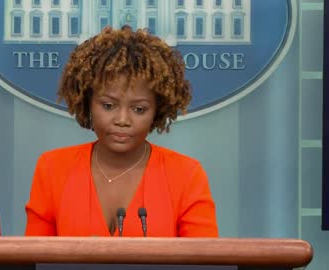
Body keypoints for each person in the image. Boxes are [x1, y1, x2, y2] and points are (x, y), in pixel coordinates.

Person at [24, 25, 218, 237]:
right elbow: (34, 261)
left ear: (158, 110)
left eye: (139, 109)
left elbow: (204, 260)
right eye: (108, 106)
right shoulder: (52, 169)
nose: (122, 120)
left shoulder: (186, 175)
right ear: (88, 102)